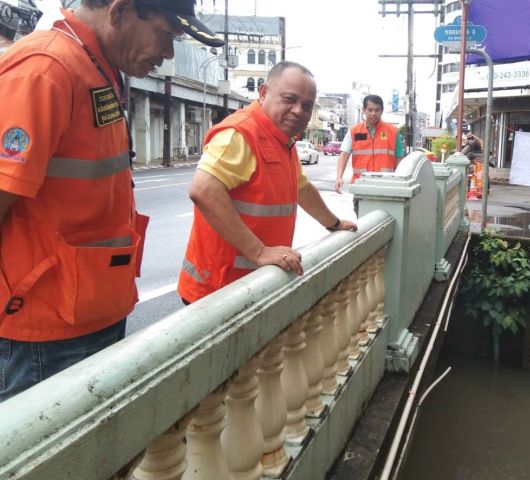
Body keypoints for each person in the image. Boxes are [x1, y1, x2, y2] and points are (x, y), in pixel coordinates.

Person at [0, 0, 224, 402]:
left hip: (91, 311)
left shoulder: (98, 68)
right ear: (119, 12)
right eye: (165, 35)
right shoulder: (45, 69)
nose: (169, 53)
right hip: (43, 332)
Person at [177, 61, 357, 304]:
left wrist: (334, 223)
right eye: (289, 99)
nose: (298, 111)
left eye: (306, 105)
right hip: (218, 290)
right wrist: (259, 252)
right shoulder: (241, 133)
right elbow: (203, 190)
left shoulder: (282, 141)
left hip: (251, 285)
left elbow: (301, 188)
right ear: (263, 94)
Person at [334, 95, 403, 211]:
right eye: (370, 110)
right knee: (363, 223)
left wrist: (400, 183)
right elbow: (344, 155)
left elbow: (399, 159)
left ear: (382, 110)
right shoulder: (354, 132)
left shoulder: (393, 132)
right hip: (361, 187)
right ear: (364, 110)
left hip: (386, 187)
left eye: (377, 110)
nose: (373, 113)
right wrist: (339, 177)